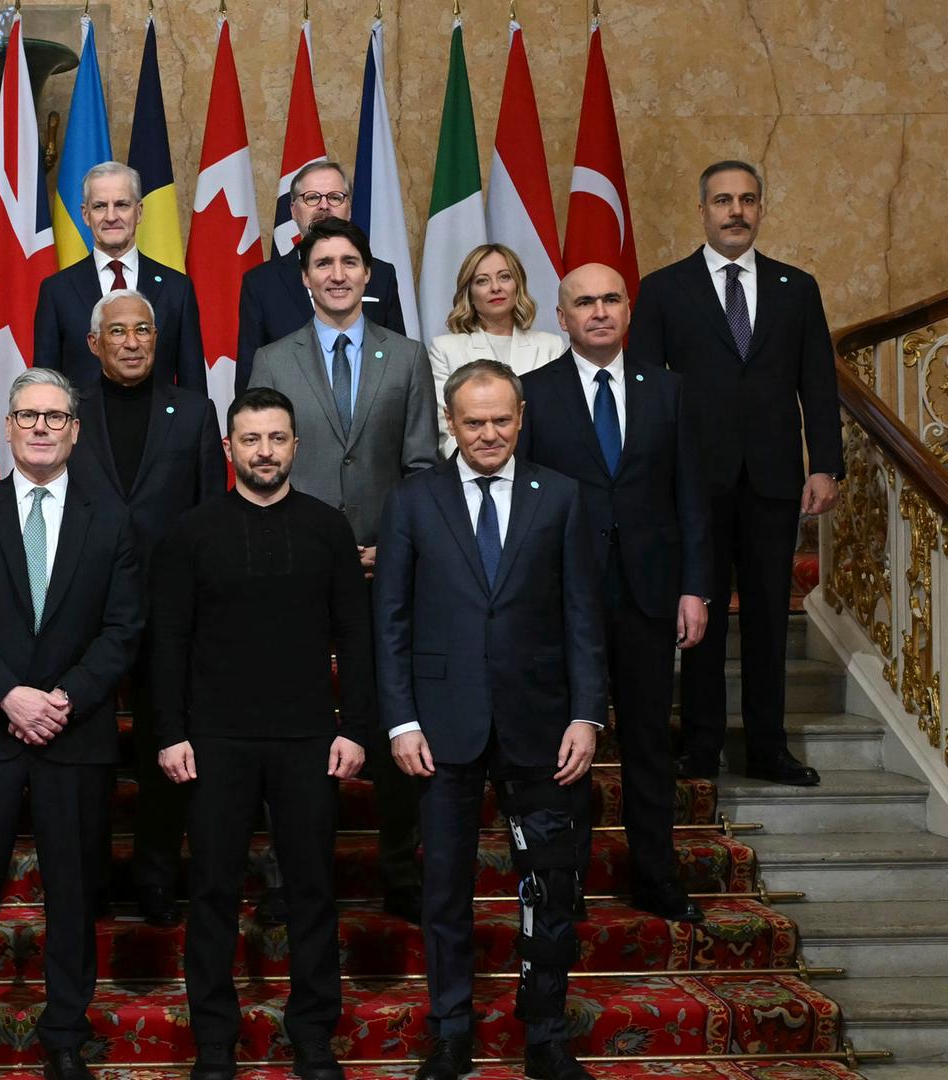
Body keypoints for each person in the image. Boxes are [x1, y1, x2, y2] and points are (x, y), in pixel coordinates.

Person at [375, 359, 606, 1080]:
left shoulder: (561, 496)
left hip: (541, 725)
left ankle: (544, 1032)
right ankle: (450, 1031)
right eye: (473, 422)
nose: (488, 434)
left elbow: (582, 617)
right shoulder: (413, 500)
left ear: (522, 414)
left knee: (550, 886)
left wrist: (587, 714)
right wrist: (400, 722)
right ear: (450, 421)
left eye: (501, 420)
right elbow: (392, 623)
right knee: (444, 887)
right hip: (441, 728)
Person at [0, 368, 144, 1080]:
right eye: (28, 416)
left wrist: (63, 699)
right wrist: (10, 697)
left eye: (56, 417)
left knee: (74, 895)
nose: (43, 427)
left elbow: (122, 630)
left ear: (75, 431)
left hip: (74, 735)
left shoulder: (110, 519)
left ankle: (63, 1034)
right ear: (9, 428)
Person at [154, 387, 371, 1080]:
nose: (264, 451)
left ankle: (313, 1038)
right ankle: (214, 1044)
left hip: (309, 738)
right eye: (250, 439)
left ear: (295, 445)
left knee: (312, 892)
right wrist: (170, 732)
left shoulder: (328, 528)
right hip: (214, 740)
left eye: (276, 438)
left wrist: (358, 727)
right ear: (229, 448)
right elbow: (169, 642)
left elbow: (357, 638)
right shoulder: (191, 531)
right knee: (214, 893)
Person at [625, 159, 843, 787]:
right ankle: (700, 748)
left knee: (773, 617)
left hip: (775, 481)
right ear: (703, 210)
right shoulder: (665, 289)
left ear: (760, 208)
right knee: (700, 618)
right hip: (694, 486)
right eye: (723, 201)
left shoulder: (795, 287)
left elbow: (818, 385)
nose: (736, 212)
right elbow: (645, 390)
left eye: (747, 200)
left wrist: (825, 464)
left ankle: (768, 749)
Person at [247, 215, 437, 924]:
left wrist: (394, 543)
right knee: (292, 723)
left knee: (390, 719)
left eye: (348, 262)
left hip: (388, 567)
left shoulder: (408, 357)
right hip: (295, 564)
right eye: (322, 262)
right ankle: (287, 873)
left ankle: (399, 868)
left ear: (368, 275)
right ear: (304, 276)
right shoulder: (272, 358)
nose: (335, 273)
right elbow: (264, 458)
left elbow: (420, 465)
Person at [517, 263, 713, 925]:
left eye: (609, 300)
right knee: (564, 748)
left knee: (650, 742)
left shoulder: (668, 392)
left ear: (627, 311)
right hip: (561, 599)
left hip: (650, 594)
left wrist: (696, 589)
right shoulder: (532, 394)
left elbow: (691, 496)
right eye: (583, 303)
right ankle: (561, 880)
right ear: (562, 316)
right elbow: (524, 504)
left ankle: (656, 876)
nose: (598, 312)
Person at [65, 289, 223, 928]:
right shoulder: (68, 414)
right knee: (88, 753)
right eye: (119, 332)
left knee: (167, 749)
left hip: (171, 611)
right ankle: (92, 880)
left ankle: (157, 876)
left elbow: (213, 511)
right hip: (85, 610)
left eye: (144, 331)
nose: (132, 342)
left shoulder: (194, 412)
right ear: (93, 343)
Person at [237, 160, 406, 392]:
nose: (324, 206)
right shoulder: (261, 283)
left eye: (335, 197)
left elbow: (398, 365)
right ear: (293, 210)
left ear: (349, 207)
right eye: (312, 197)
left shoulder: (381, 274)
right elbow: (250, 380)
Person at [35, 161, 204, 389]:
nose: (111, 216)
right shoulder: (56, 291)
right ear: (85, 215)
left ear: (139, 211)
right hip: (83, 423)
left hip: (160, 423)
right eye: (100, 206)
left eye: (122, 204)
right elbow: (45, 386)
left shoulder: (177, 288)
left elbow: (193, 385)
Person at [429, 243, 565, 454]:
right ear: (469, 293)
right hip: (471, 469)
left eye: (504, 277)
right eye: (483, 281)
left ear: (517, 285)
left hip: (540, 470)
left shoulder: (550, 346)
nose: (495, 287)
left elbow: (557, 423)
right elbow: (446, 429)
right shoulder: (445, 348)